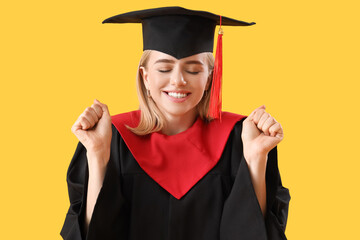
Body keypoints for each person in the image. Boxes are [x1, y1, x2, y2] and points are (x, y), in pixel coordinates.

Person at [60, 6, 290, 240]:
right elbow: (95, 234)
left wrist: (255, 157)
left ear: (209, 78)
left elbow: (251, 234)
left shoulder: (239, 137)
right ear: (145, 77)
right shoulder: (113, 138)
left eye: (192, 70)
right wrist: (98, 156)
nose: (178, 80)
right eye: (164, 69)